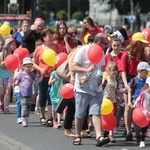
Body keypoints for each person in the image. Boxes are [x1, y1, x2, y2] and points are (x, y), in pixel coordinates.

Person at [71, 33, 110, 146]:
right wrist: (87, 69)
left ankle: (99, 137)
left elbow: (100, 68)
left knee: (96, 112)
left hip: (96, 88)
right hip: (82, 88)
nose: (107, 46)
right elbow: (73, 67)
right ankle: (78, 135)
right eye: (105, 44)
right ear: (99, 43)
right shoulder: (83, 50)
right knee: (80, 114)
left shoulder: (101, 52)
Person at [120, 32, 149, 141]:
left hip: (140, 81)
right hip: (128, 79)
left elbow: (146, 70)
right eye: (141, 43)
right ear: (136, 43)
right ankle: (128, 131)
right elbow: (123, 71)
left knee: (140, 105)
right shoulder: (126, 54)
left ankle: (137, 129)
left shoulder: (143, 56)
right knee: (128, 107)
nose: (143, 45)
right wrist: (126, 84)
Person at [32, 28, 63, 126]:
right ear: (44, 38)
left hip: (54, 76)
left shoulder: (57, 48)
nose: (51, 38)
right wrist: (40, 69)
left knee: (51, 96)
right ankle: (42, 116)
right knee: (42, 96)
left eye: (52, 36)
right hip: (42, 75)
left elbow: (61, 59)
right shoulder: (39, 49)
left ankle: (50, 117)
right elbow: (33, 62)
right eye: (49, 36)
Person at [13, 57, 43, 127]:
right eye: (27, 67)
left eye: (30, 67)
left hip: (29, 93)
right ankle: (23, 118)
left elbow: (37, 80)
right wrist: (14, 83)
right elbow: (17, 82)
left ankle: (26, 117)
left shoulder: (32, 74)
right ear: (23, 66)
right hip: (22, 93)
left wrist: (42, 77)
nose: (29, 68)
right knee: (24, 106)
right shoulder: (21, 74)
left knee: (28, 107)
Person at [102, 62, 126, 143]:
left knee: (113, 117)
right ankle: (105, 131)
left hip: (113, 101)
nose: (115, 72)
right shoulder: (105, 80)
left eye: (116, 70)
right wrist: (103, 98)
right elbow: (100, 90)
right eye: (113, 70)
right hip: (106, 101)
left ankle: (111, 134)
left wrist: (123, 93)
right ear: (109, 71)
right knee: (106, 117)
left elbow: (117, 90)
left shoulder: (116, 81)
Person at [128, 62, 150, 144]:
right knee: (137, 120)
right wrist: (129, 101)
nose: (146, 74)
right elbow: (130, 91)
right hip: (136, 101)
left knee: (144, 118)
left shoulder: (147, 81)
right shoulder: (134, 80)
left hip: (145, 101)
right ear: (139, 71)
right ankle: (137, 136)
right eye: (145, 72)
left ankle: (142, 134)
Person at [0, 37, 17, 113]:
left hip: (10, 74)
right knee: (2, 92)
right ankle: (1, 104)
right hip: (2, 74)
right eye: (12, 44)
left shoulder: (14, 54)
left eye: (15, 44)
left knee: (8, 90)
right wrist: (3, 63)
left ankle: (6, 107)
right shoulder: (2, 54)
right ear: (8, 45)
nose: (14, 46)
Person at [133, 76, 150, 148]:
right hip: (144, 114)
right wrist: (135, 104)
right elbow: (138, 99)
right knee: (144, 128)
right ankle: (142, 141)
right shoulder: (143, 93)